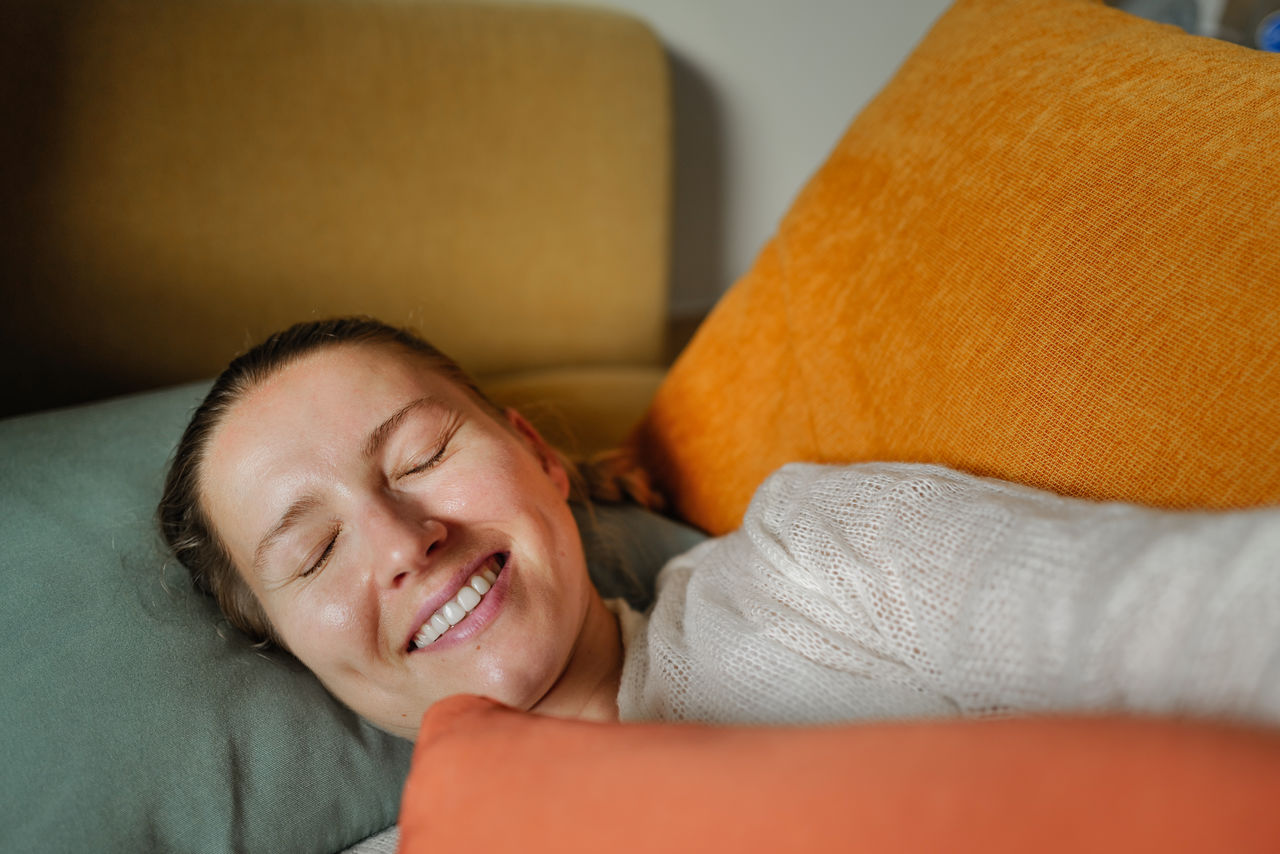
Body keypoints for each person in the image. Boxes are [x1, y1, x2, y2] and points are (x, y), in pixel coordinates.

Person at [161, 316, 1280, 739]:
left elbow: (1199, 614)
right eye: (312, 551)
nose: (403, 536)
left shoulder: (820, 556)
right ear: (291, 648)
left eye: (420, 454)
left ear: (539, 457)